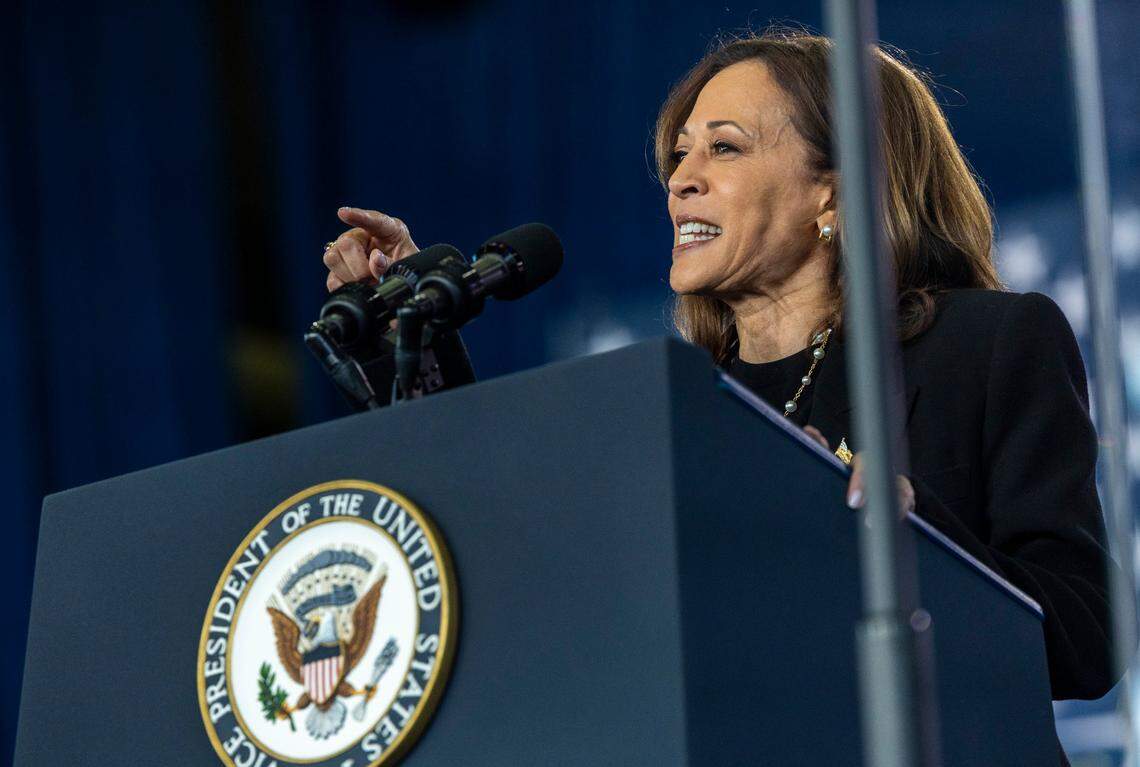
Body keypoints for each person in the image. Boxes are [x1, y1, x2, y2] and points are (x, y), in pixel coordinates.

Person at [322, 30, 1118, 709]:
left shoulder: (989, 344)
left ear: (832, 196)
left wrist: (916, 546)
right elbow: (516, 587)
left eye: (724, 147)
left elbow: (1086, 640)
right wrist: (408, 339)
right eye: (680, 154)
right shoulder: (675, 411)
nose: (681, 179)